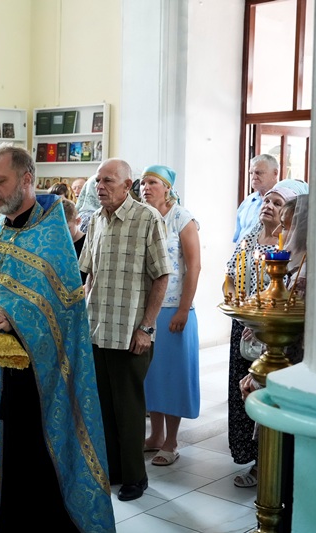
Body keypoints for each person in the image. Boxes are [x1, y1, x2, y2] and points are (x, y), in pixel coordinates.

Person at [0, 144, 114, 532]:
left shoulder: (52, 238)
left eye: (0, 181)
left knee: (26, 471)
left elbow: (64, 310)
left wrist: (15, 316)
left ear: (27, 180)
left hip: (30, 383)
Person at [78, 158, 171, 501]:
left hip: (131, 333)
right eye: (98, 180)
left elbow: (161, 275)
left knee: (129, 411)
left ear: (127, 185)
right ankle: (114, 471)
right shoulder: (95, 220)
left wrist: (147, 327)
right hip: (97, 330)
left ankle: (135, 478)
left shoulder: (148, 218)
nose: (100, 186)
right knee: (103, 408)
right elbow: (88, 274)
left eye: (108, 181)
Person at [224, 178, 308, 488]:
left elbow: (287, 298)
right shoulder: (251, 237)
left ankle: (271, 467)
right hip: (250, 323)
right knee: (247, 390)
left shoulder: (299, 255)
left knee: (269, 396)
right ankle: (254, 458)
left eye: (278, 204)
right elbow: (231, 274)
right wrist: (241, 308)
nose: (269, 208)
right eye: (267, 201)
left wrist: (259, 322)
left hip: (278, 335)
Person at [139, 165, 202, 467]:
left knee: (172, 376)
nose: (145, 188)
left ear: (167, 187)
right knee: (152, 375)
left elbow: (194, 266)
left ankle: (171, 441)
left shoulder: (182, 218)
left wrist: (183, 309)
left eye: (152, 182)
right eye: (142, 183)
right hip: (150, 310)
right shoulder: (145, 217)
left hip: (175, 309)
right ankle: (155, 435)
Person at [233, 154, 280, 243]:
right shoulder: (247, 202)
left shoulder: (284, 202)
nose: (254, 177)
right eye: (251, 173)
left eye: (259, 173)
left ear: (275, 173)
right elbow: (238, 238)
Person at [62, 199, 87, 284]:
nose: (63, 234)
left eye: (68, 229)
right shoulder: (56, 243)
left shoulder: (87, 243)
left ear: (78, 221)